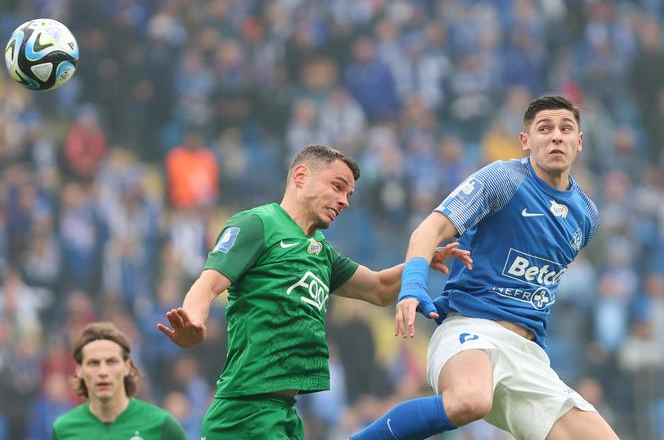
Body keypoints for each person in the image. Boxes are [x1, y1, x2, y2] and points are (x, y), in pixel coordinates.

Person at [156, 144, 472, 439]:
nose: (345, 201)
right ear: (301, 176)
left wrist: (420, 261)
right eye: (337, 186)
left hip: (285, 413)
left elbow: (379, 289)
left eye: (349, 194)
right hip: (246, 412)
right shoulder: (258, 224)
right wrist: (193, 321)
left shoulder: (321, 251)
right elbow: (208, 282)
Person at [351, 96, 619, 439]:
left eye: (566, 129)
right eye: (544, 129)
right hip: (471, 329)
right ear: (526, 141)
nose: (556, 137)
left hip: (528, 355)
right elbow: (429, 229)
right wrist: (413, 285)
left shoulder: (587, 215)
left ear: (579, 142)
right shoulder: (503, 180)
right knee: (471, 400)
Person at [52, 322, 187, 440]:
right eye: (94, 363)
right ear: (79, 370)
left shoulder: (162, 424)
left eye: (111, 362)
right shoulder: (63, 429)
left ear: (127, 367)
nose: (103, 372)